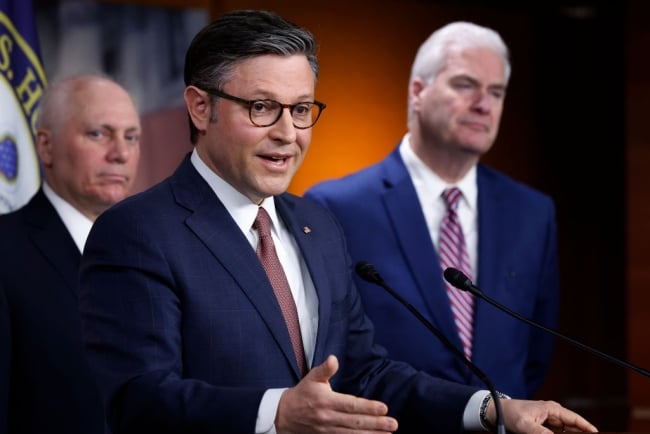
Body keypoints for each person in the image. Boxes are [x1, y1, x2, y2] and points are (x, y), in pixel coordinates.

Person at [77, 10, 593, 434]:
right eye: (262, 107)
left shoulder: (316, 226)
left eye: (301, 109)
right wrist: (278, 413)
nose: (288, 133)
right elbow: (138, 399)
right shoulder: (138, 233)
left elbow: (366, 372)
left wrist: (492, 408)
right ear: (199, 107)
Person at [305, 21, 559, 400]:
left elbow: (536, 353)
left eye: (496, 92)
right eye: (465, 85)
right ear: (418, 92)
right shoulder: (335, 207)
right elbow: (331, 350)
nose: (483, 104)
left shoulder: (532, 212)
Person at [0, 74, 141, 434]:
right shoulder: (6, 251)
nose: (120, 154)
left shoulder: (157, 249)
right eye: (98, 133)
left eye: (131, 137)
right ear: (45, 146)